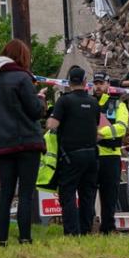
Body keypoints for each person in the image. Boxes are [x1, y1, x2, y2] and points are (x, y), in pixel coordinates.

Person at [0, 39, 47, 247]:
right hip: (26, 142)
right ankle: (25, 238)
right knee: (26, 193)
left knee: (6, 195)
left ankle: (2, 240)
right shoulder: (22, 78)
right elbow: (35, 111)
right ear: (22, 57)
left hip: (2, 144)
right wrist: (41, 99)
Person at [47, 65, 100, 236]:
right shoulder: (93, 102)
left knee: (68, 194)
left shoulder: (64, 101)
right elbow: (97, 127)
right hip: (92, 154)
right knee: (87, 195)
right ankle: (85, 230)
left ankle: (71, 232)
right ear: (85, 82)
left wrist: (51, 116)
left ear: (69, 82)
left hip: (71, 156)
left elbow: (52, 125)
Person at [92, 72, 128, 235]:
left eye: (101, 83)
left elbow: (121, 127)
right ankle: (89, 227)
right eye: (96, 83)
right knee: (88, 195)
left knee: (109, 197)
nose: (98, 86)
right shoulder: (89, 103)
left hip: (110, 156)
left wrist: (101, 133)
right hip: (91, 156)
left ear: (108, 85)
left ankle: (108, 228)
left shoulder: (117, 105)